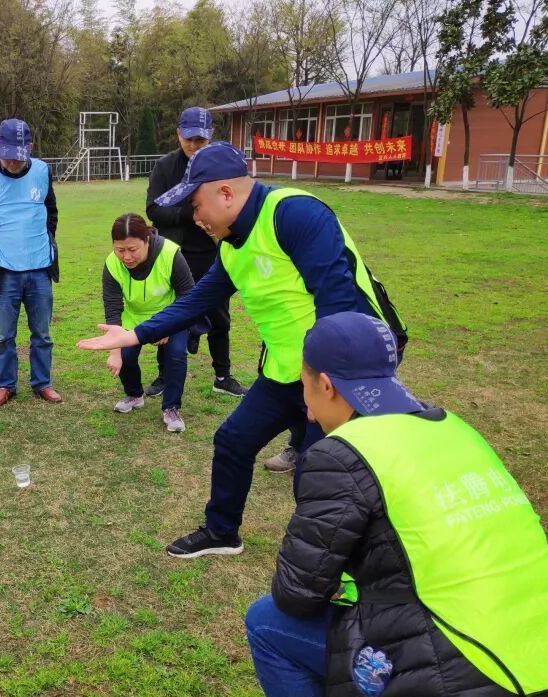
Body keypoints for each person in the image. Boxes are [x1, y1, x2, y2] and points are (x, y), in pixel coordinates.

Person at [236, 312, 548, 697]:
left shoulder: (340, 455)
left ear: (325, 384)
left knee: (268, 624)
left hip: (479, 675)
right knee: (434, 600)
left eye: (304, 385)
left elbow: (297, 595)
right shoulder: (457, 429)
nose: (305, 405)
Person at [78, 142, 407, 559]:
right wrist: (134, 335)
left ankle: (341, 568)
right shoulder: (233, 245)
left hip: (342, 374)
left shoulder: (295, 214)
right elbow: (198, 300)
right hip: (288, 368)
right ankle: (222, 532)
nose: (194, 218)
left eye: (196, 206)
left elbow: (338, 304)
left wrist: (325, 385)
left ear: (226, 194)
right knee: (234, 440)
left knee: (320, 473)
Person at [146, 106, 247, 400]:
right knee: (170, 315)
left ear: (211, 135)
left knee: (219, 316)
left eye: (200, 140)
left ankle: (223, 376)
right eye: (188, 138)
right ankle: (164, 375)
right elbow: (154, 209)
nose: (193, 145)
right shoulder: (165, 167)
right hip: (174, 255)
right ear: (178, 133)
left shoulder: (222, 166)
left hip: (212, 254)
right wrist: (192, 216)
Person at [0, 118, 62, 407]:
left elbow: (51, 212)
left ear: (30, 148)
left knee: (42, 333)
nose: (13, 162)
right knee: (4, 335)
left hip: (39, 269)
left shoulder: (43, 171)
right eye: (8, 155)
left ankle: (42, 383)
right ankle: (5, 385)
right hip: (3, 273)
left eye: (19, 156)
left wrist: (44, 241)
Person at [102, 213, 194, 432]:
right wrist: (114, 349)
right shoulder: (112, 263)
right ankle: (134, 395)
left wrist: (167, 326)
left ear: (147, 240)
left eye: (132, 249)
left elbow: (188, 294)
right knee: (125, 355)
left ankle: (171, 407)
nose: (126, 257)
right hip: (134, 318)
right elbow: (112, 307)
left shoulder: (170, 253)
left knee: (176, 354)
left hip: (171, 315)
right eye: (120, 250)